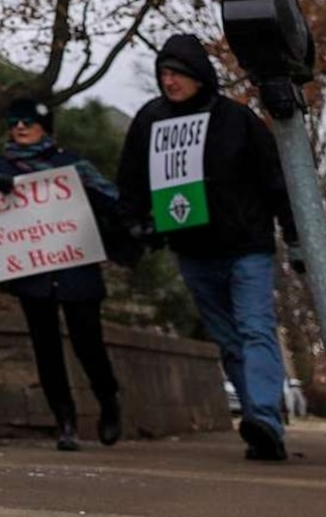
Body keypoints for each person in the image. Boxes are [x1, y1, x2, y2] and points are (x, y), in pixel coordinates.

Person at [116, 33, 298, 462]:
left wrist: (294, 237)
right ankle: (259, 425)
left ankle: (266, 419)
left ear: (198, 75)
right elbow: (133, 181)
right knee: (229, 341)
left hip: (246, 247)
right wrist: (137, 225)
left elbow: (275, 180)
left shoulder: (237, 120)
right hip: (193, 252)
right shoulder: (150, 121)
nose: (169, 81)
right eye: (163, 73)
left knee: (255, 329)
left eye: (177, 73)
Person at [0, 93, 124, 451]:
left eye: (27, 122)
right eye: (14, 123)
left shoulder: (72, 165)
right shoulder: (4, 168)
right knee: (46, 350)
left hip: (76, 269)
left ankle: (108, 401)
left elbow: (111, 200)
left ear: (44, 127)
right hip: (34, 276)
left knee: (88, 342)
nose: (19, 128)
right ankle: (65, 421)